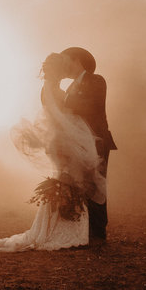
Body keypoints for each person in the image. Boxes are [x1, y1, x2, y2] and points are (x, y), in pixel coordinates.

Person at [0, 53, 105, 252]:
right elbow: (62, 116)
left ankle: (55, 226)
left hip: (60, 139)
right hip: (62, 140)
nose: (67, 70)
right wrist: (77, 138)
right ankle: (63, 228)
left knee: (68, 180)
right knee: (71, 181)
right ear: (58, 71)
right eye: (63, 67)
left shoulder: (52, 89)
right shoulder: (56, 91)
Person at [61, 47, 117, 242]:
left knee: (96, 185)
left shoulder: (96, 80)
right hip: (77, 142)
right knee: (80, 183)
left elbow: (91, 105)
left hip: (97, 141)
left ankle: (98, 232)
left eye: (65, 60)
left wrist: (63, 99)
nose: (63, 65)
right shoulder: (69, 87)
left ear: (77, 60)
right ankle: (83, 230)